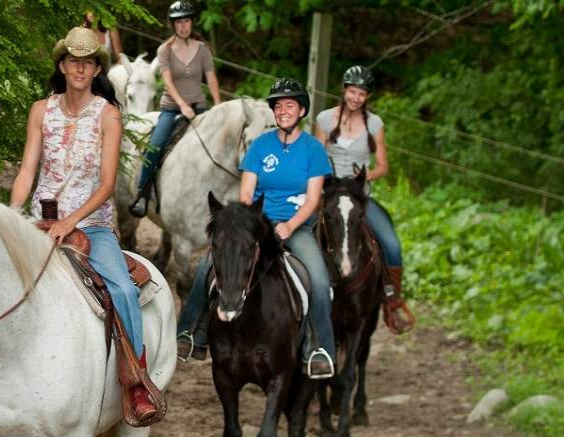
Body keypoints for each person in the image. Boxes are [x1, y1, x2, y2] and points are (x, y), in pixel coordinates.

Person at [0, 27, 159, 423]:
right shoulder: (41, 110)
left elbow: (106, 183)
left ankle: (135, 382)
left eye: (88, 62)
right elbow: (26, 172)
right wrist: (12, 219)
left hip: (91, 226)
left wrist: (71, 220)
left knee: (121, 287)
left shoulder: (109, 115)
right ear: (63, 66)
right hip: (39, 221)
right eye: (73, 61)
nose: (80, 69)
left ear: (96, 68)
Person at [179, 78, 336, 380]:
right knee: (207, 265)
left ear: (301, 110)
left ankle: (319, 349)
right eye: (278, 106)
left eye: (289, 105)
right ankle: (190, 333)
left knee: (319, 278)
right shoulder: (261, 146)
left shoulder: (313, 150)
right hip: (257, 226)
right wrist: (251, 225)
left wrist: (290, 225)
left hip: (295, 227)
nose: (283, 111)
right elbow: (246, 193)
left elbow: (314, 199)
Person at [314, 65, 413, 334]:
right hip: (328, 194)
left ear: (367, 97)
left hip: (359, 197)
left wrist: (363, 176)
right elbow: (315, 156)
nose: (356, 97)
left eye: (362, 94)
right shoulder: (324, 119)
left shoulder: (375, 124)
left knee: (391, 243)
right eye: (352, 91)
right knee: (295, 230)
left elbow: (383, 165)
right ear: (344, 90)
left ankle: (391, 301)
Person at [129, 0, 221, 218]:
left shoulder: (202, 50)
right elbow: (168, 82)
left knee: (217, 146)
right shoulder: (165, 50)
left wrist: (217, 105)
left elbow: (211, 78)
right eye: (178, 22)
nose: (183, 26)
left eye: (186, 21)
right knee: (154, 146)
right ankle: (143, 193)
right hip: (172, 108)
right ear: (173, 25)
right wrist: (181, 105)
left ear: (192, 23)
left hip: (199, 107)